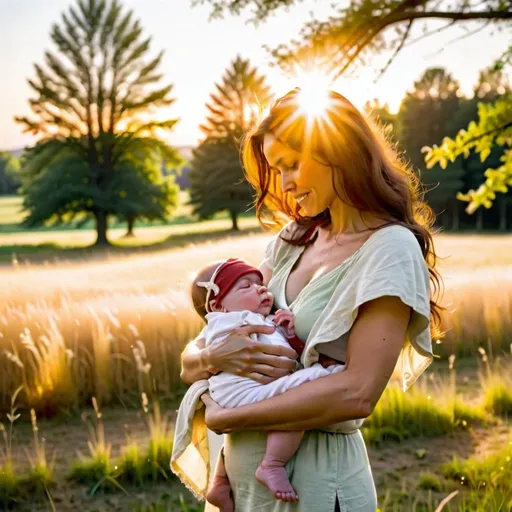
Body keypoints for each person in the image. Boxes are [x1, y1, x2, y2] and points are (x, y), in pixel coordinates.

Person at [180, 88, 443, 511]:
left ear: (337, 149)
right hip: (245, 494)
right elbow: (198, 352)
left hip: (318, 489)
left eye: (291, 165)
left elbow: (357, 392)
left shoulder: (388, 248)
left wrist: (226, 416)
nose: (284, 184)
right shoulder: (293, 240)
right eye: (276, 169)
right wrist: (212, 359)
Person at [188, 257, 354, 510]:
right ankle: (272, 464)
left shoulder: (260, 321)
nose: (261, 289)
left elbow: (287, 353)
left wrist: (288, 332)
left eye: (261, 284)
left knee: (293, 391)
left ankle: (220, 480)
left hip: (237, 395)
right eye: (245, 286)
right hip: (240, 390)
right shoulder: (227, 322)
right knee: (303, 396)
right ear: (217, 305)